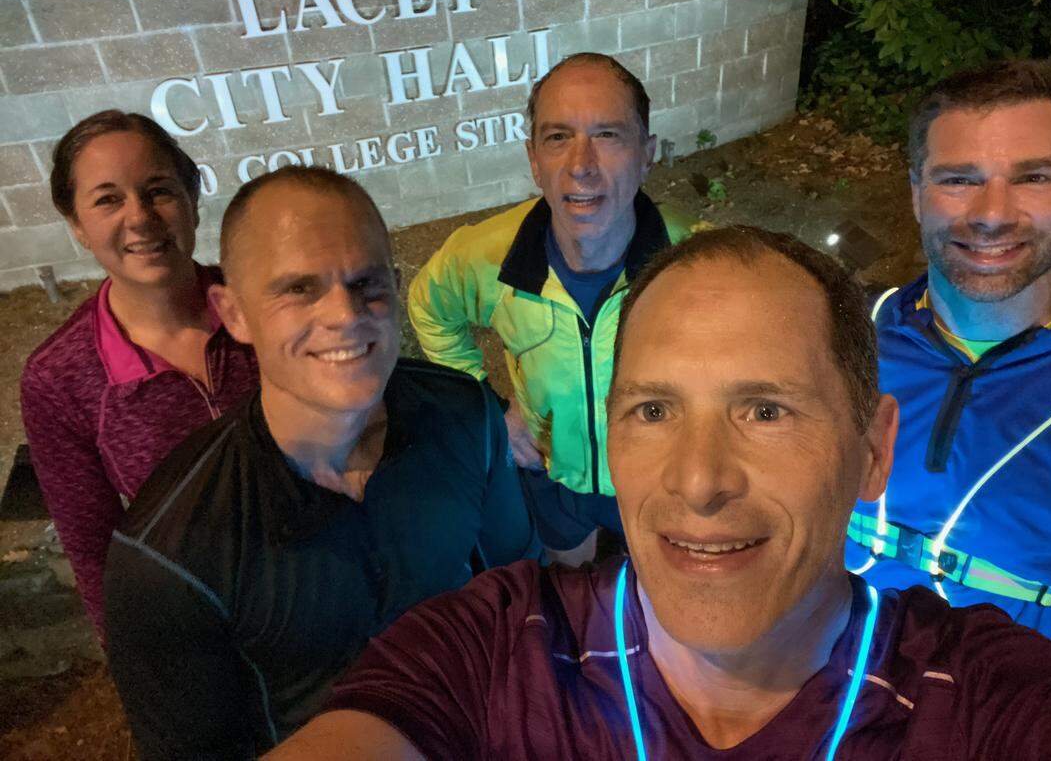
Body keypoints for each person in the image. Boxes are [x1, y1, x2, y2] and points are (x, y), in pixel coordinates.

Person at [268, 226, 1051, 761]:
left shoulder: (983, 699)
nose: (699, 481)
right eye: (654, 409)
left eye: (765, 409)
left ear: (872, 452)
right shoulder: (499, 649)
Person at [103, 166, 540, 759]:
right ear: (232, 313)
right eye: (299, 288)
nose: (344, 313)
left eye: (367, 282)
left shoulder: (466, 417)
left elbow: (518, 590)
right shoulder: (171, 553)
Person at [845, 59, 1051, 682]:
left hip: (1012, 701)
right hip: (837, 672)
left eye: (1033, 177)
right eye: (959, 179)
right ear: (917, 191)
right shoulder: (845, 334)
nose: (992, 214)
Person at [407, 52, 696, 554]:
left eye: (608, 135)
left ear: (647, 153)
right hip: (550, 480)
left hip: (662, 484)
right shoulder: (480, 257)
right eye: (558, 138)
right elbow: (430, 310)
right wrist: (488, 409)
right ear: (534, 160)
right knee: (574, 595)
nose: (581, 166)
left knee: (658, 597)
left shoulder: (696, 262)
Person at [19, 110, 258, 642]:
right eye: (108, 199)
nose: (141, 217)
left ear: (193, 200)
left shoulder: (265, 308)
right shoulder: (59, 378)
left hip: (326, 581)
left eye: (159, 190)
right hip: (203, 618)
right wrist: (135, 662)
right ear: (77, 224)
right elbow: (91, 543)